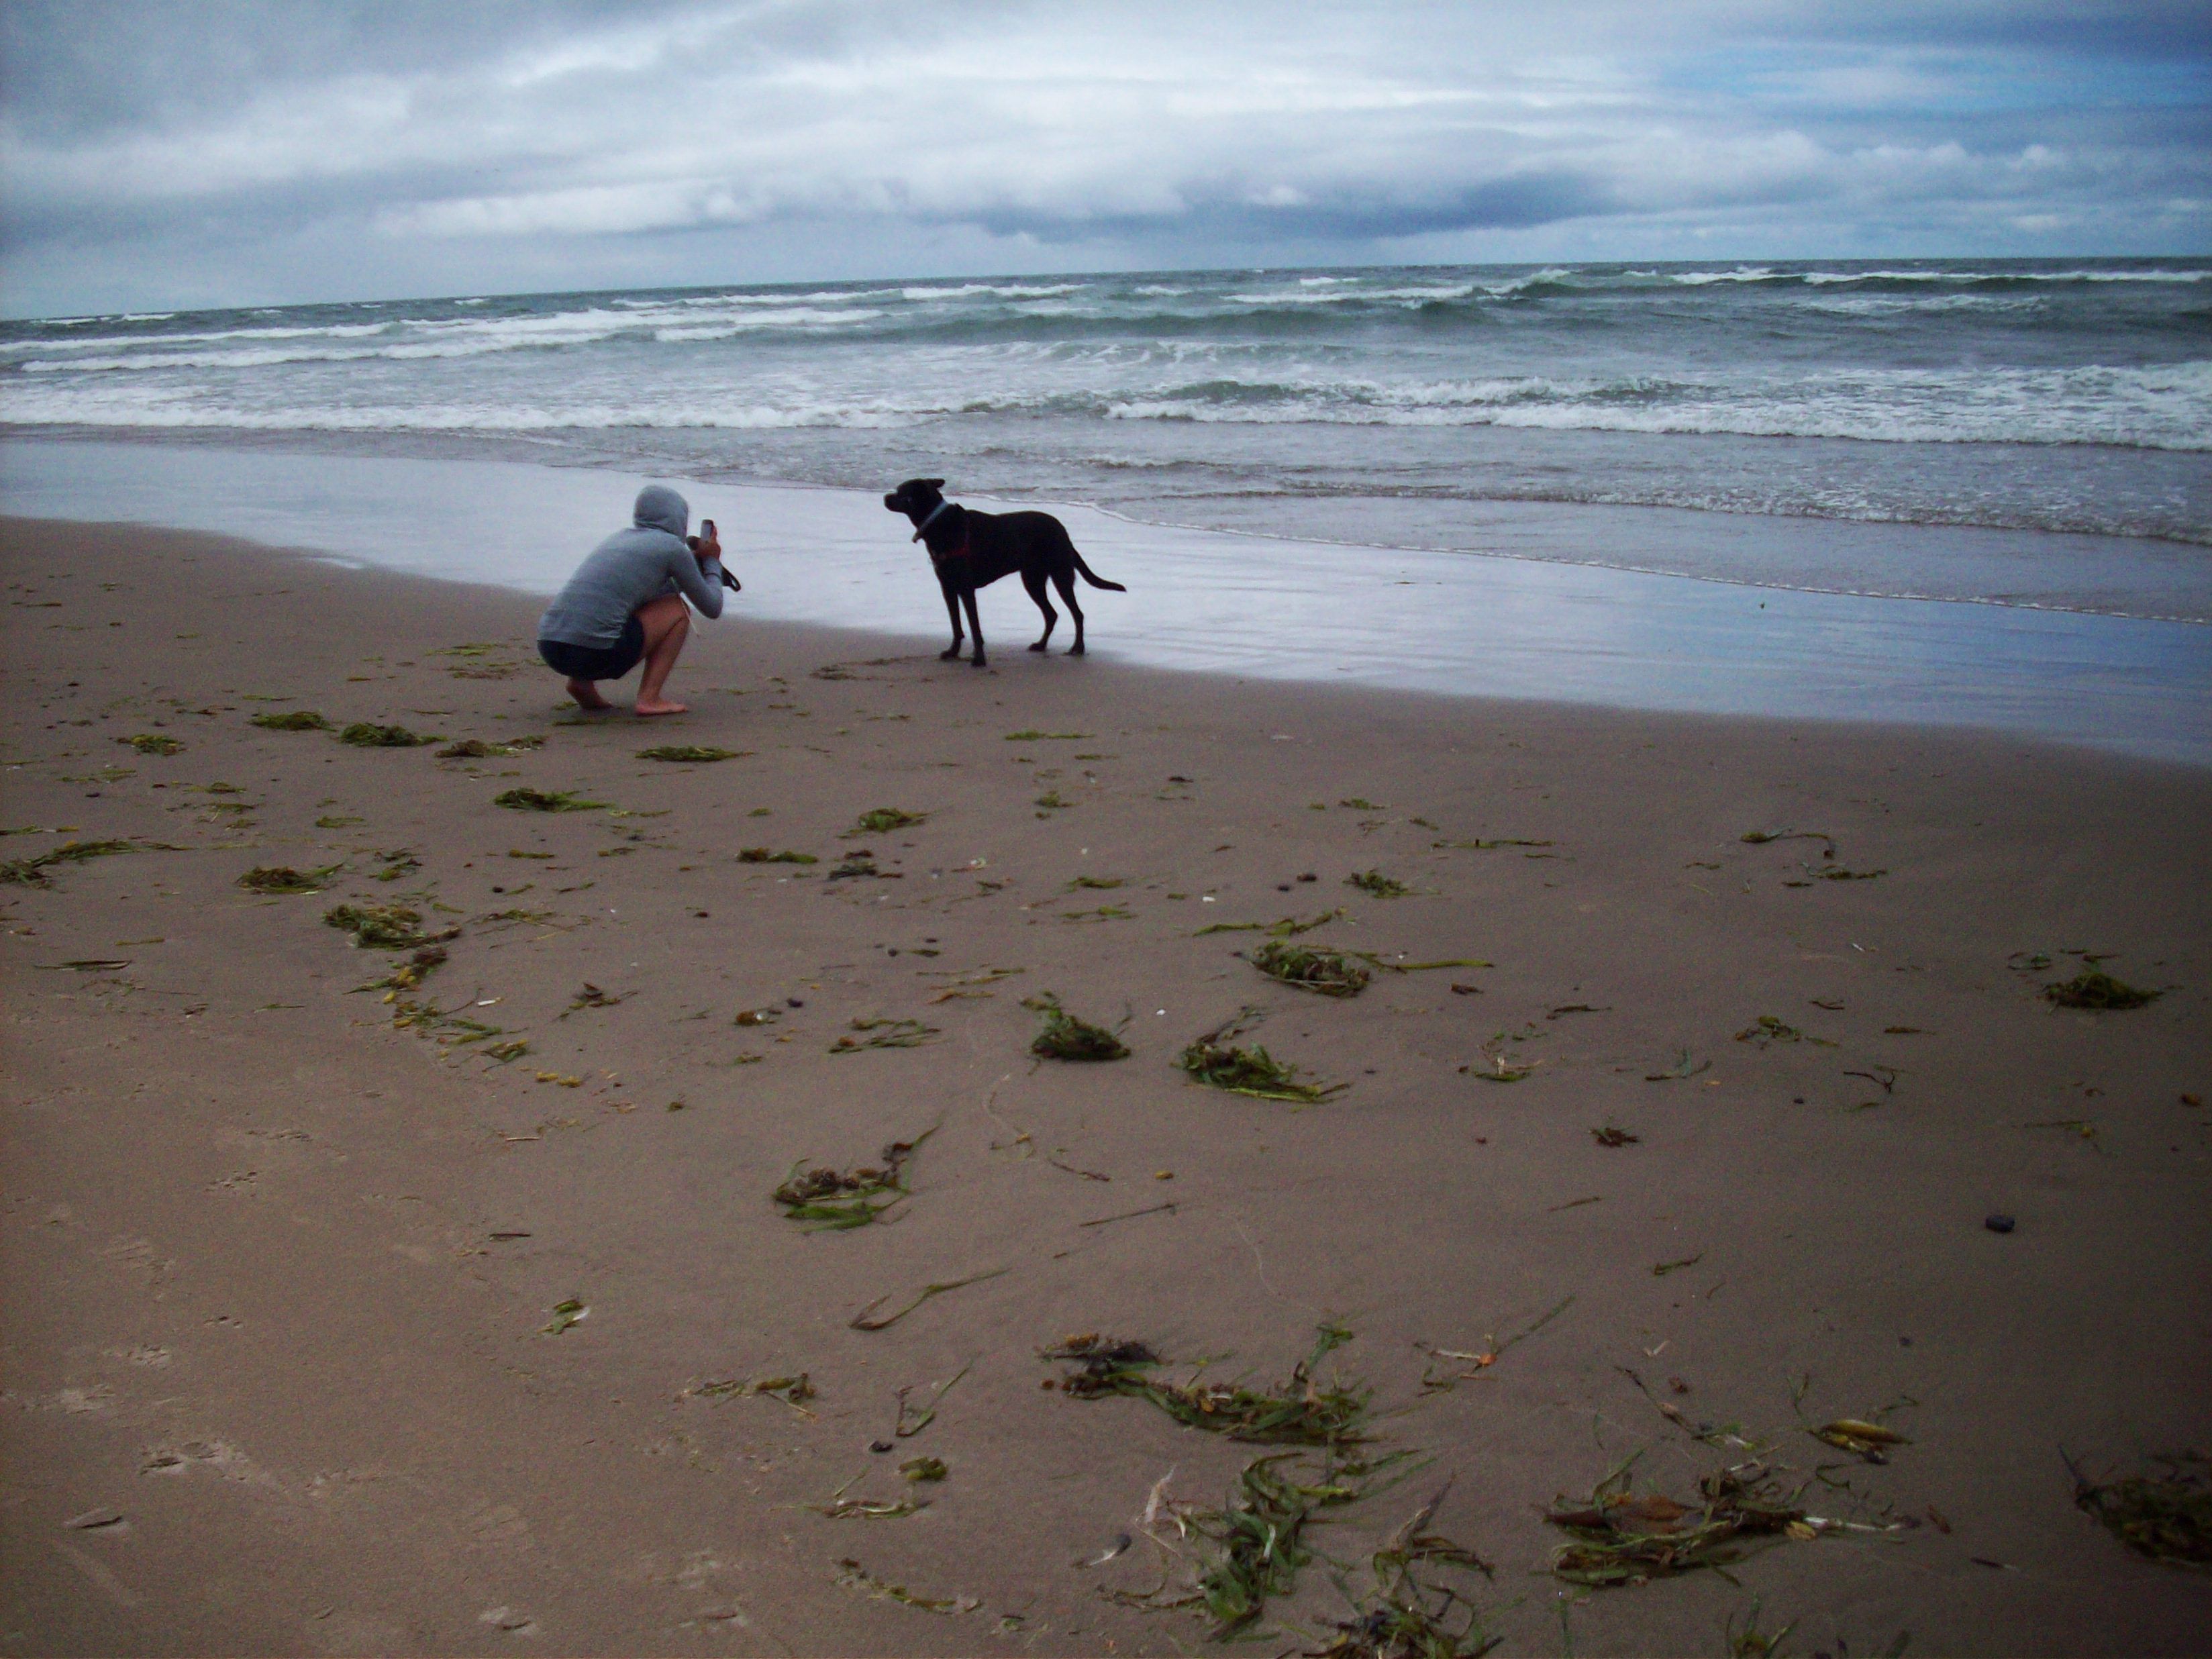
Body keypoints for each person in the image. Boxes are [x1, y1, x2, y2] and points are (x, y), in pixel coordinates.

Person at [537, 485, 727, 716]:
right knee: (678, 609)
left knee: (606, 608)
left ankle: (580, 684)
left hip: (550, 646)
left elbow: (651, 593)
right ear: (679, 518)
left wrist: (693, 563)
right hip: (594, 654)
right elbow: (712, 607)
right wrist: (712, 562)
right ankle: (650, 698)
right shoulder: (672, 548)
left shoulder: (620, 539)